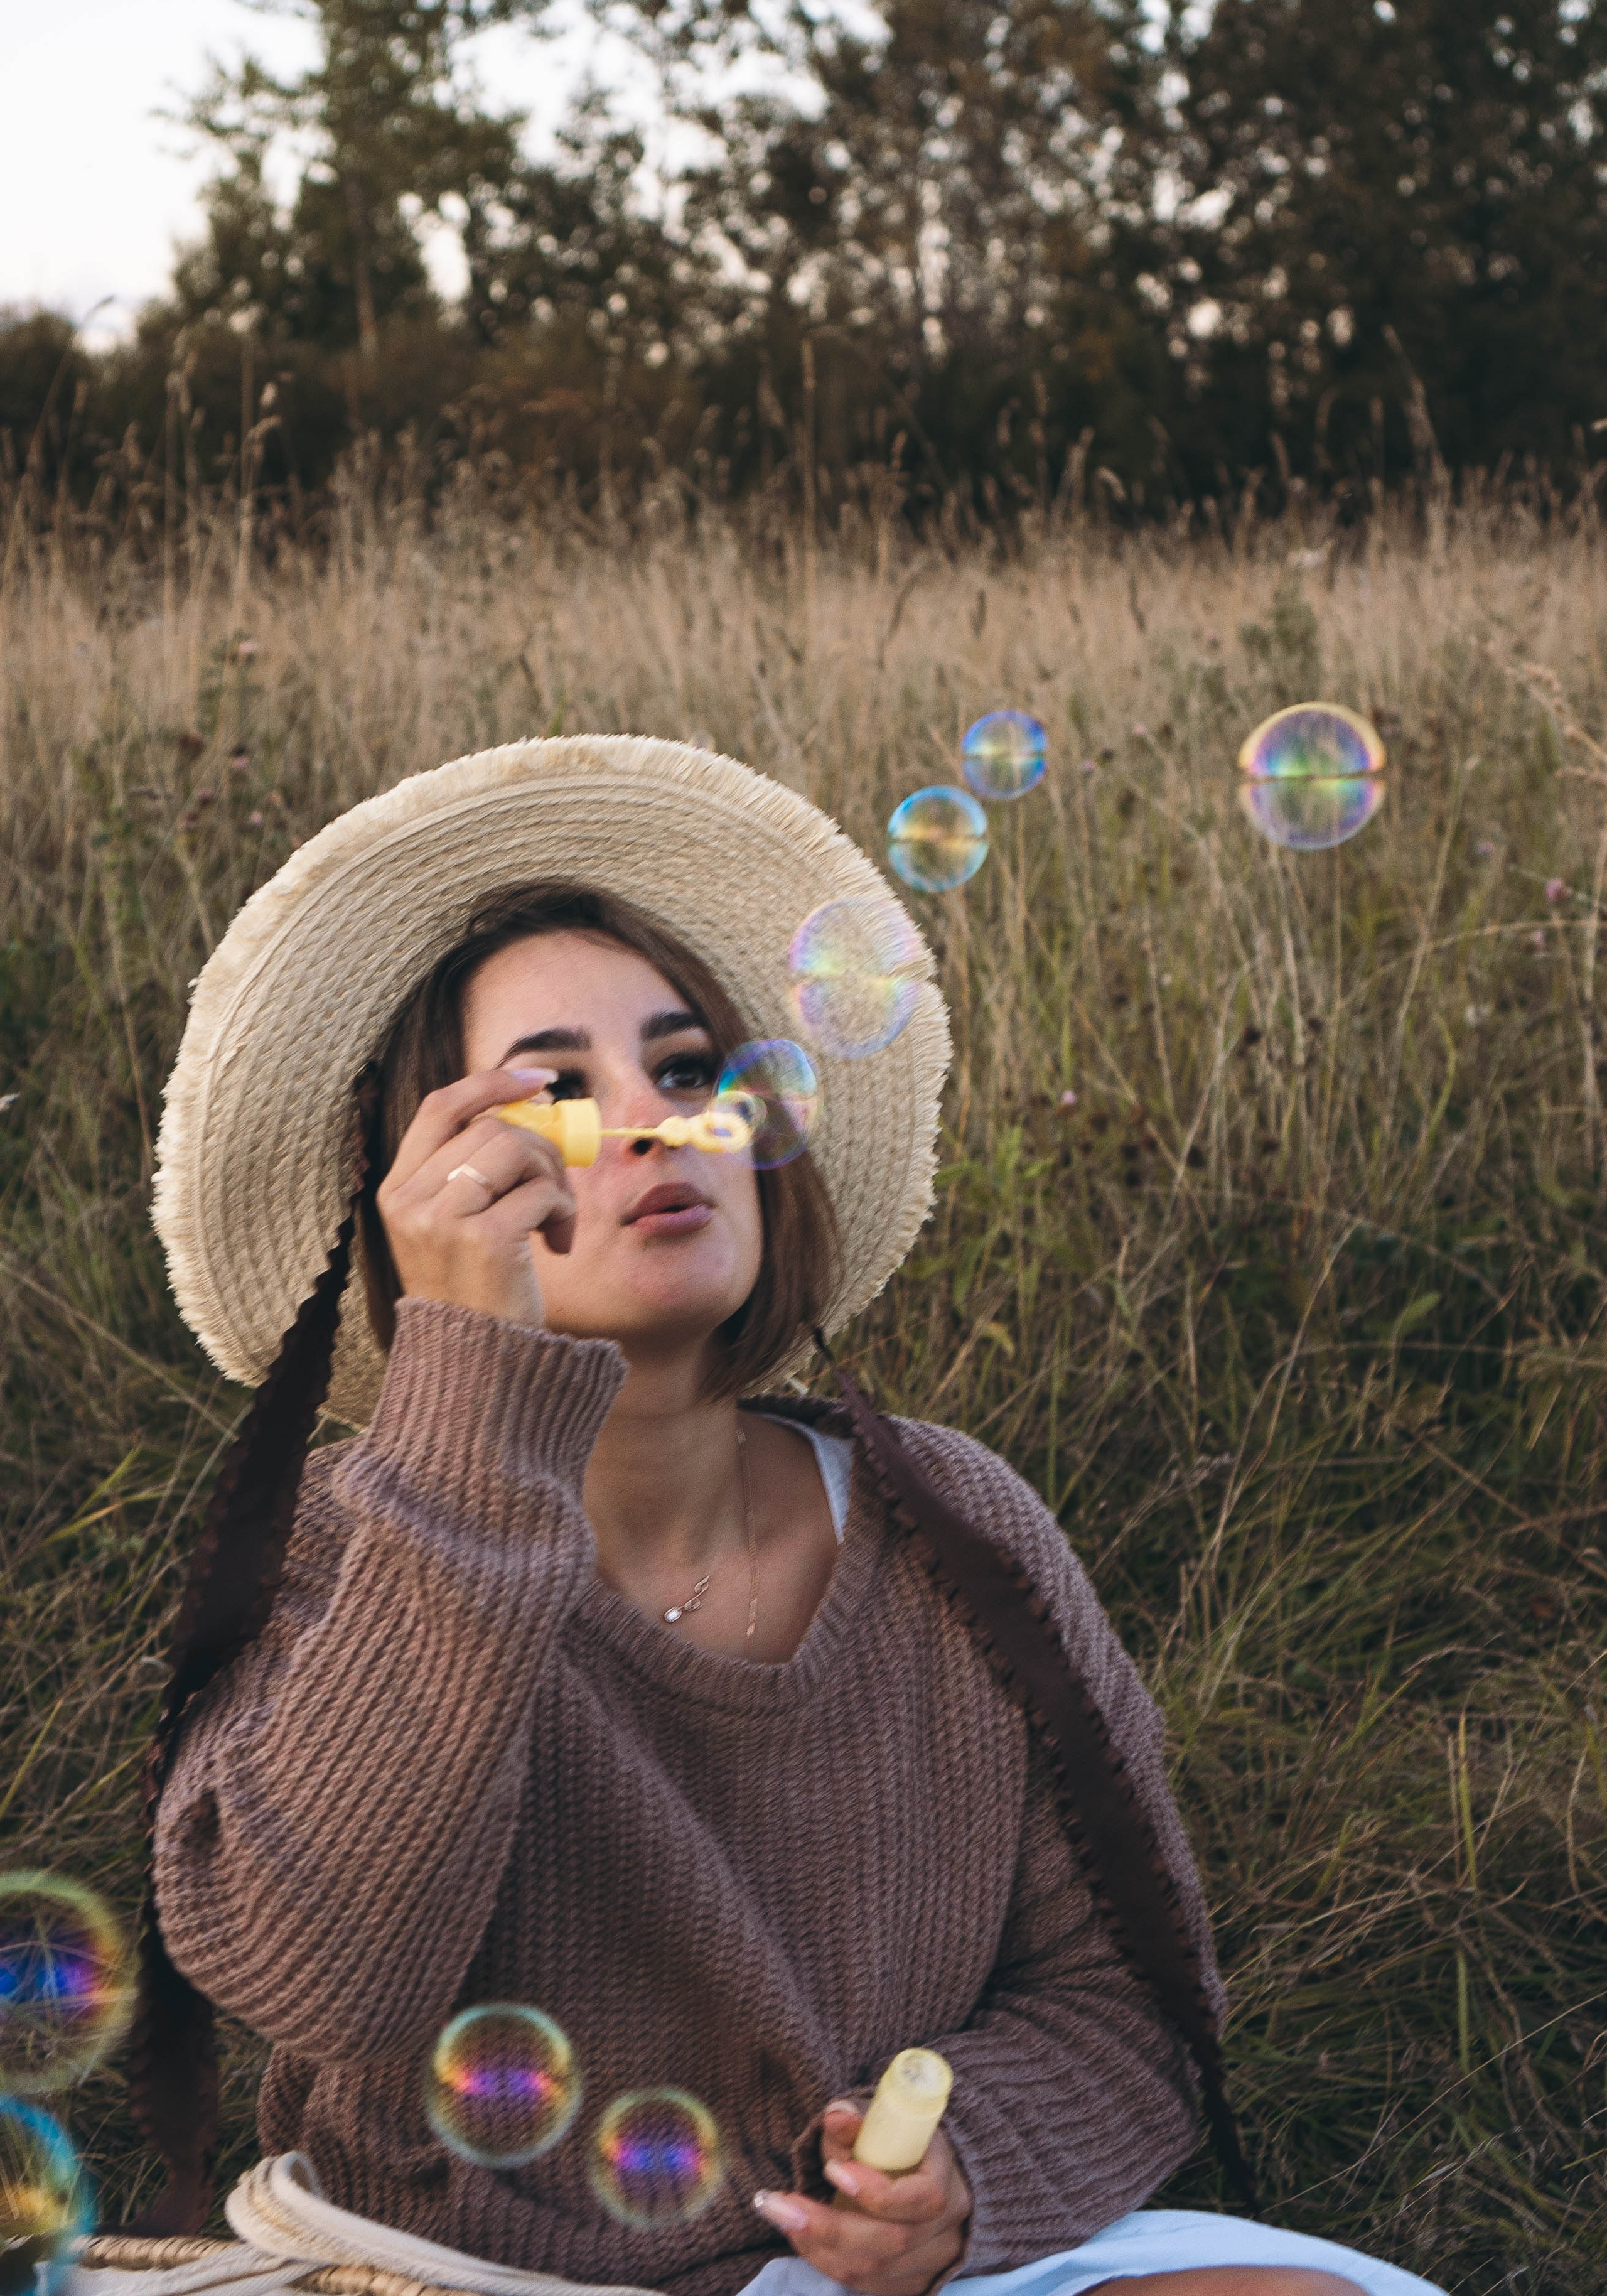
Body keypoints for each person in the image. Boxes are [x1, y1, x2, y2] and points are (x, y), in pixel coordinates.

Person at [146, 737, 1444, 2296]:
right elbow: (324, 1981)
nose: (652, 1118)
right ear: (432, 1196)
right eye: (553, 1089)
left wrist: (964, 2176)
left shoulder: (954, 1531)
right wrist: (470, 1409)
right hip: (465, 2273)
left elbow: (1129, 1999)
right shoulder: (361, 1549)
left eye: (689, 1068)